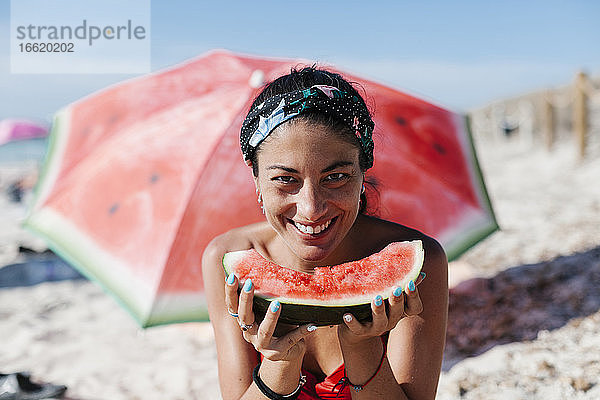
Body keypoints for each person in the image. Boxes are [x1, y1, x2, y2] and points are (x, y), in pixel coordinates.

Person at [202, 66, 448, 400]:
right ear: (256, 179)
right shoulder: (227, 259)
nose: (311, 208)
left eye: (336, 177)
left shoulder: (422, 264)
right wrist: (278, 363)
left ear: (363, 171)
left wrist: (362, 348)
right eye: (285, 179)